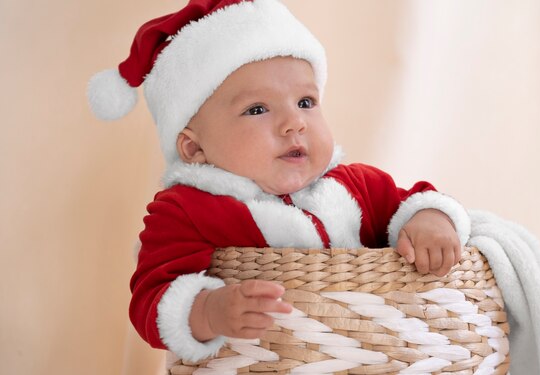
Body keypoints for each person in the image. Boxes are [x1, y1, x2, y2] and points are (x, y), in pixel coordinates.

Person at [88, 0, 471, 363]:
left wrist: (431, 221)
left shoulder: (354, 186)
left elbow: (415, 201)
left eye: (306, 102)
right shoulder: (187, 209)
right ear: (193, 148)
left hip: (373, 356)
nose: (295, 123)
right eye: (257, 109)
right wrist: (209, 310)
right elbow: (151, 298)